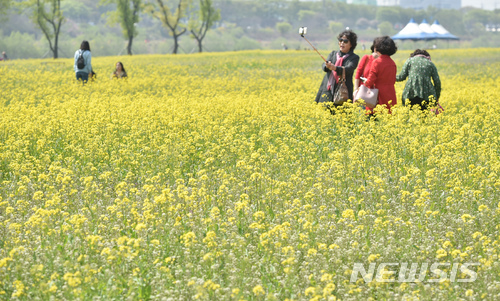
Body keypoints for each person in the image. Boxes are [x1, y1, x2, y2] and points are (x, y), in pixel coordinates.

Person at [315, 29, 360, 109]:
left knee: (342, 116)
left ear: (351, 44)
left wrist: (335, 68)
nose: (342, 43)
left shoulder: (354, 57)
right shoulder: (333, 54)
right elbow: (324, 66)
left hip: (342, 92)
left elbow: (349, 69)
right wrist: (327, 66)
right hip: (328, 90)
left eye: (345, 41)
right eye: (340, 40)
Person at [362, 36, 398, 114]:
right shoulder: (392, 63)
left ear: (377, 48)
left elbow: (370, 81)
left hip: (379, 94)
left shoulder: (377, 62)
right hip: (390, 93)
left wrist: (365, 81)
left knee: (376, 117)